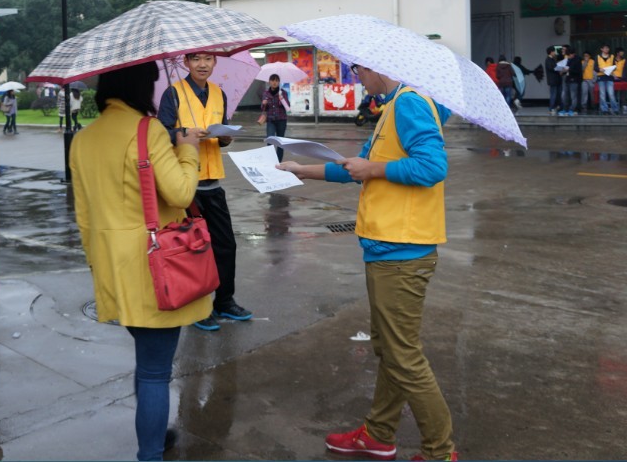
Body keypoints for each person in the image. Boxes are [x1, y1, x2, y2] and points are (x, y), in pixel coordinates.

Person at [278, 63, 457, 462]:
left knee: (404, 355)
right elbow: (355, 168)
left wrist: (372, 168)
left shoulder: (409, 103)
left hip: (402, 251)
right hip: (389, 247)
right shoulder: (391, 106)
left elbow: (432, 167)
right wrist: (300, 170)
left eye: (359, 68)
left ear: (379, 66)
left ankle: (440, 452)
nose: (358, 76)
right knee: (391, 349)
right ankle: (379, 434)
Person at [69, 61, 206, 461]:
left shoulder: (83, 139)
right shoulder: (148, 131)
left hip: (113, 268)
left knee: (148, 362)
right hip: (156, 270)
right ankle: (150, 453)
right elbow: (180, 193)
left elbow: (83, 215)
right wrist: (188, 149)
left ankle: (155, 432)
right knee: (153, 372)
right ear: (141, 84)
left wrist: (98, 265)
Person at [157, 52, 252, 332]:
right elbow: (161, 133)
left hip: (213, 182)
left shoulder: (218, 94)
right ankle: (197, 307)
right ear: (186, 63)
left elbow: (221, 134)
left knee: (226, 245)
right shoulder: (172, 94)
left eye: (208, 59)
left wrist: (224, 138)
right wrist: (184, 132)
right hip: (186, 183)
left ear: (215, 63)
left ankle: (224, 300)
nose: (202, 64)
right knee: (193, 249)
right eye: (196, 59)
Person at [260, 74, 290, 161]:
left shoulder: (283, 92)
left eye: (276, 81)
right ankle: (271, 160)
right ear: (269, 82)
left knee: (280, 142)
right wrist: (264, 104)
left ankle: (278, 162)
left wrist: (282, 100)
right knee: (270, 140)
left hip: (281, 120)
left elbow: (287, 107)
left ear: (279, 82)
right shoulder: (266, 93)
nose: (274, 82)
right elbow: (262, 108)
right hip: (270, 120)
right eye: (273, 80)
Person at [595, 44, 619, 115]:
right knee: (602, 94)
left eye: (608, 48)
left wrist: (611, 69)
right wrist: (600, 69)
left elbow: (615, 66)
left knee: (611, 94)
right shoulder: (598, 57)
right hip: (601, 76)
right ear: (601, 49)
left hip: (609, 76)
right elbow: (595, 67)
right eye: (605, 48)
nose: (607, 50)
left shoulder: (612, 56)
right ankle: (604, 109)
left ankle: (615, 109)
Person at [558, 46, 581, 116]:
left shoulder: (577, 60)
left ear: (573, 54)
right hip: (567, 79)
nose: (569, 56)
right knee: (565, 95)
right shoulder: (568, 60)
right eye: (568, 55)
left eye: (569, 55)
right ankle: (565, 109)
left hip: (574, 80)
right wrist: (563, 71)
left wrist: (569, 69)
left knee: (573, 96)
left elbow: (578, 71)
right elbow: (565, 68)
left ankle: (572, 109)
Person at [545, 46, 562, 115]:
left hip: (556, 80)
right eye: (554, 51)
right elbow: (551, 68)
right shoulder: (548, 60)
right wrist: (559, 69)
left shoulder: (552, 59)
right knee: (553, 94)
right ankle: (551, 108)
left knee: (557, 94)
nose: (555, 53)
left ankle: (556, 107)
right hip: (553, 80)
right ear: (551, 52)